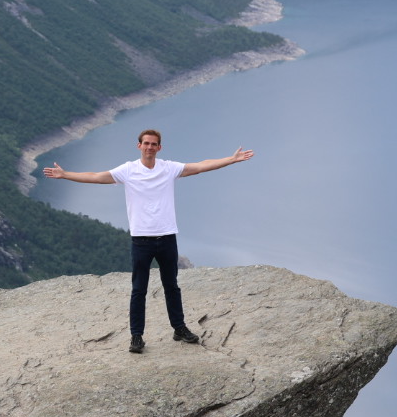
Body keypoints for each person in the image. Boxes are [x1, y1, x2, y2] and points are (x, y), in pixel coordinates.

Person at [44, 130, 254, 354]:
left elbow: (201, 165)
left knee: (171, 286)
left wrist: (231, 159)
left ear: (159, 148)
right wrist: (65, 175)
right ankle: (137, 336)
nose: (149, 147)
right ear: (139, 146)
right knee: (138, 290)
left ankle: (179, 328)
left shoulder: (169, 168)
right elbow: (96, 176)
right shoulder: (128, 170)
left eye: (154, 144)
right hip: (141, 239)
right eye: (146, 144)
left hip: (167, 237)